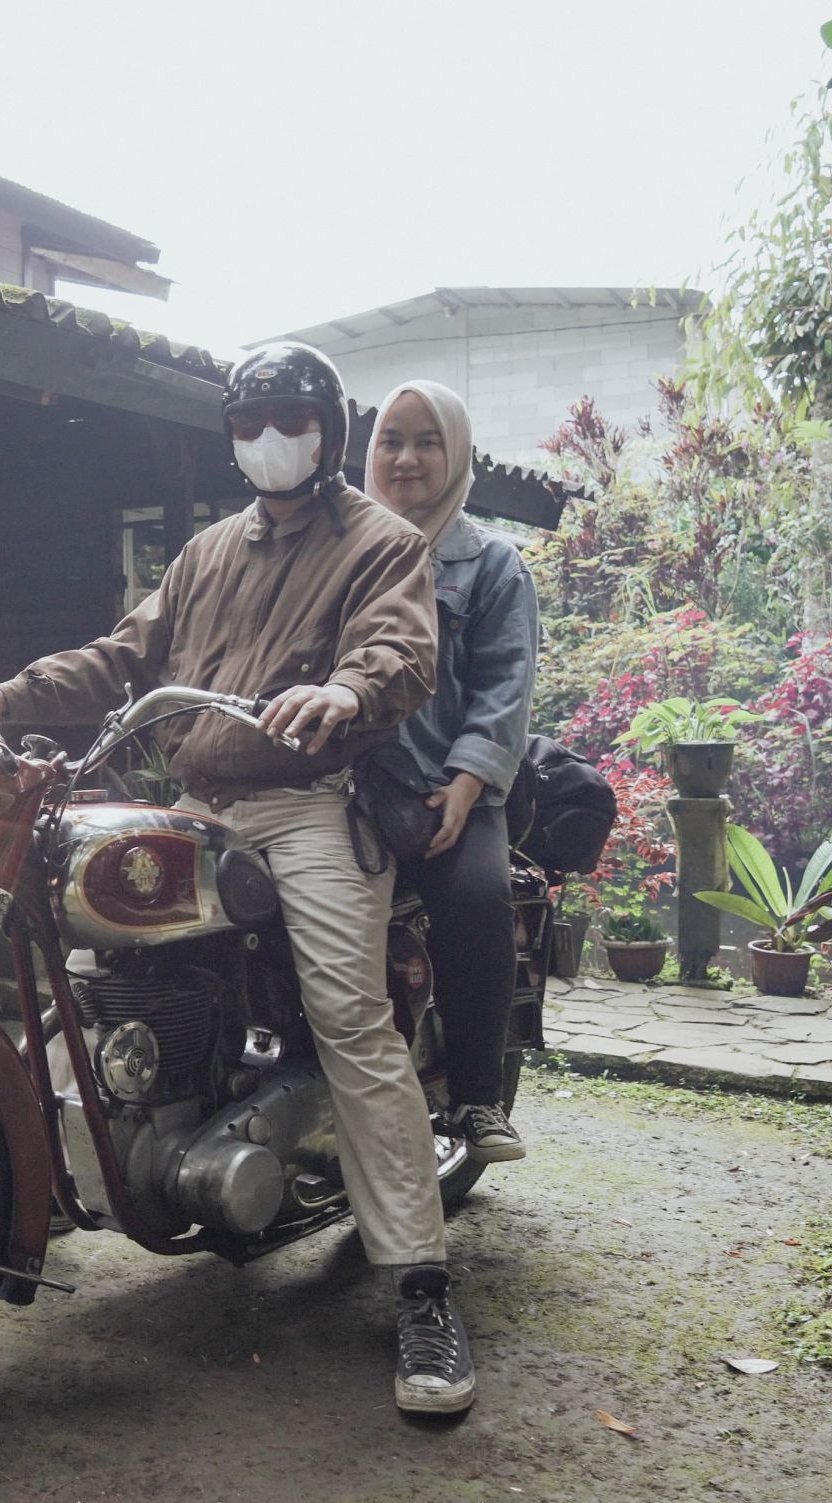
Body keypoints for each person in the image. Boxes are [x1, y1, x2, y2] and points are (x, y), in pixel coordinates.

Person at [0, 342, 477, 1415]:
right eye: (250, 422)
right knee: (80, 973)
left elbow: (399, 653)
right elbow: (120, 657)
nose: (271, 438)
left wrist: (345, 695)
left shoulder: (383, 542)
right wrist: (0, 703)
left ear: (328, 430)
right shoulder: (206, 554)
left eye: (292, 419)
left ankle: (421, 1283)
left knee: (349, 1015)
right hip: (201, 805)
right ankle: (65, 1175)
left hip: (311, 803)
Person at [364, 380, 540, 1163]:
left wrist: (467, 784)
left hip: (448, 788)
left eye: (426, 442)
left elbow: (506, 686)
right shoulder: (340, 551)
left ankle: (475, 1098)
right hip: (347, 788)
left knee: (474, 899)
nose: (406, 458)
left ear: (457, 454)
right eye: (391, 440)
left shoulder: (492, 564)